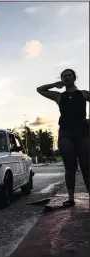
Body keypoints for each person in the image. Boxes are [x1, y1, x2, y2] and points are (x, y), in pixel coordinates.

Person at [37, 69, 90, 207]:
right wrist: (55, 84)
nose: (67, 77)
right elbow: (40, 89)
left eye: (69, 75)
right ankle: (71, 198)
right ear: (62, 79)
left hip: (82, 133)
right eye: (64, 76)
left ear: (74, 77)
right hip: (66, 133)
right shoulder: (59, 96)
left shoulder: (83, 94)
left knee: (86, 165)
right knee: (70, 167)